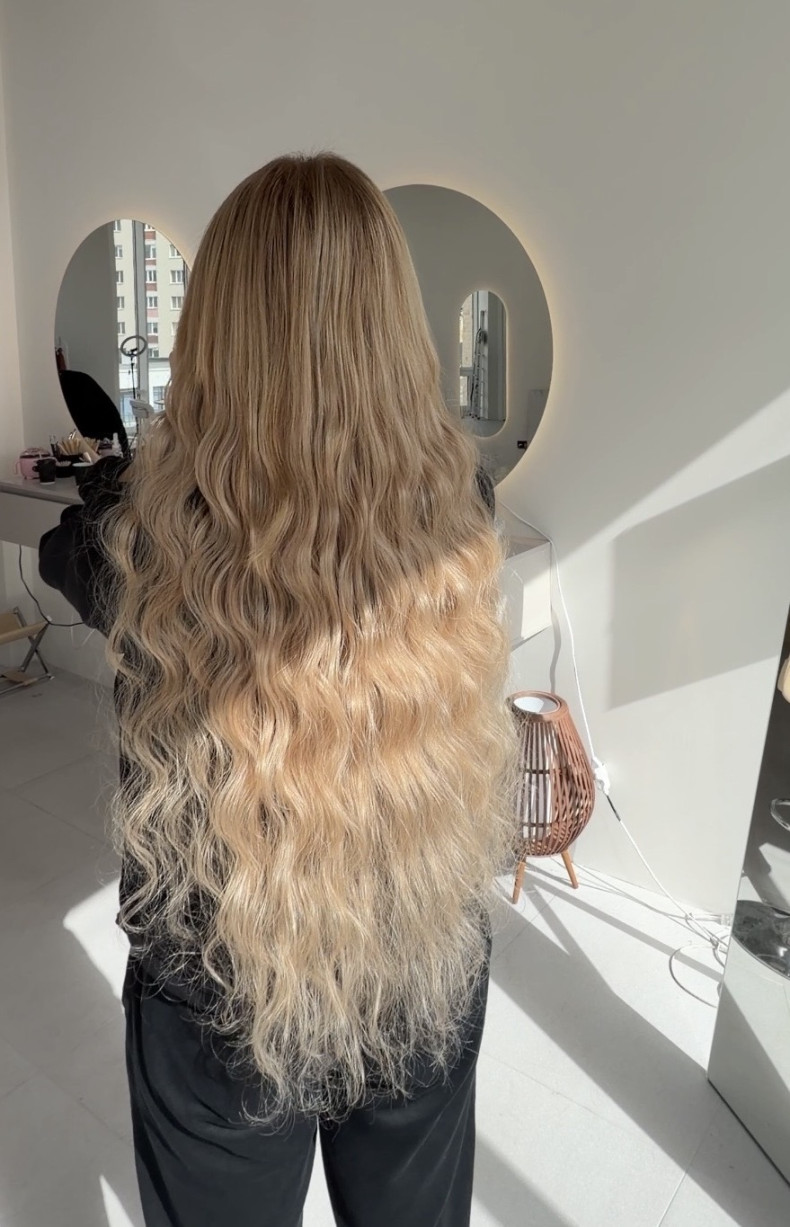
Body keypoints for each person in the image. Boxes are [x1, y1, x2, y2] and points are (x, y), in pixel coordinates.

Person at [39, 153, 517, 1227]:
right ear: (394, 326)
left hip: (218, 977)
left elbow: (58, 552)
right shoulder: (461, 502)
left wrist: (135, 474)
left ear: (211, 333)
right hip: (415, 948)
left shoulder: (137, 537)